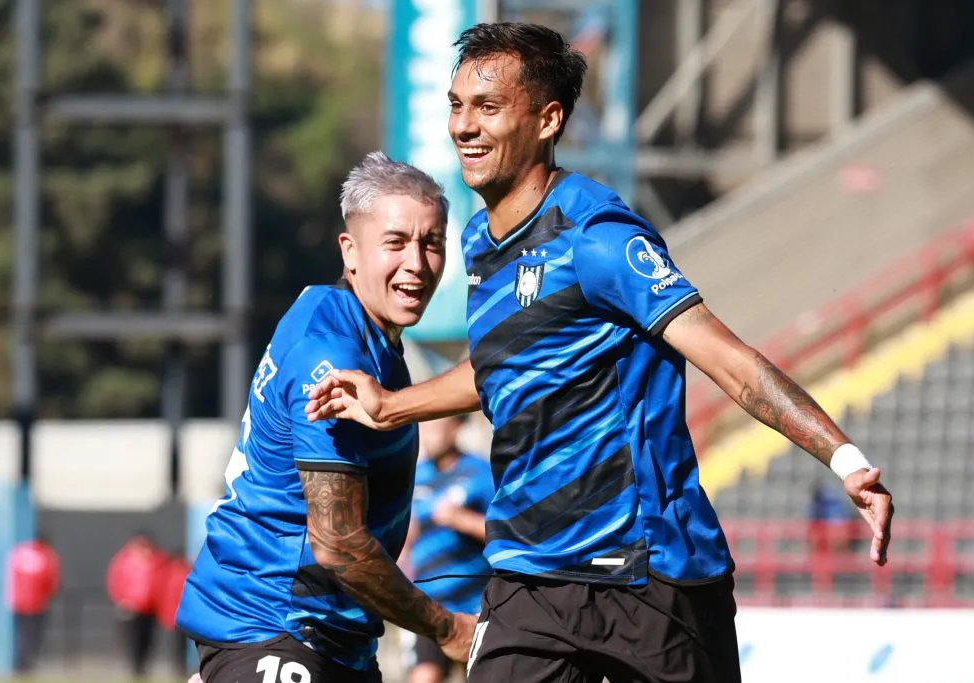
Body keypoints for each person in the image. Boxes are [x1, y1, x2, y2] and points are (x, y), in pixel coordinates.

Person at [305, 22, 895, 683]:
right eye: (456, 105)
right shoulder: (478, 243)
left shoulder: (597, 237)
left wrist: (844, 457)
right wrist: (390, 406)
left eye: (488, 107)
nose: (463, 126)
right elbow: (506, 363)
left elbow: (727, 357)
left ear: (548, 120)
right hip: (528, 572)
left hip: (648, 573)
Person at [175, 152, 475, 683]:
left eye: (432, 243)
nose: (417, 262)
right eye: (396, 242)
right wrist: (447, 628)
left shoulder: (347, 326)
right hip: (274, 627)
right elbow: (337, 544)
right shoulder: (334, 358)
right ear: (350, 251)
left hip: (324, 637)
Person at [399, 416, 494, 683]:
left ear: (456, 427)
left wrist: (461, 520)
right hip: (429, 606)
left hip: (476, 606)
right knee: (423, 677)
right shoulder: (415, 477)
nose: (429, 433)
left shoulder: (480, 472)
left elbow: (506, 533)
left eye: (436, 426)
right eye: (424, 426)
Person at [106, 531, 167, 678]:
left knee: (148, 639)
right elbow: (115, 581)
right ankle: (136, 668)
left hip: (151, 607)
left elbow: (162, 582)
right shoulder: (124, 560)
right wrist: (121, 600)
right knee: (133, 639)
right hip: (131, 607)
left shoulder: (158, 560)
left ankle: (143, 667)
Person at [7, 532, 61, 674]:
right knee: (33, 634)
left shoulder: (19, 552)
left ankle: (19, 662)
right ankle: (26, 663)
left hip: (17, 602)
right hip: (37, 603)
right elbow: (51, 581)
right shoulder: (47, 556)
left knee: (21, 633)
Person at [155, 549, 193, 676]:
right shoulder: (169, 573)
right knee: (176, 645)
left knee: (181, 645)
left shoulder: (184, 573)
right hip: (173, 617)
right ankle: (178, 668)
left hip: (181, 617)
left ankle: (181, 668)